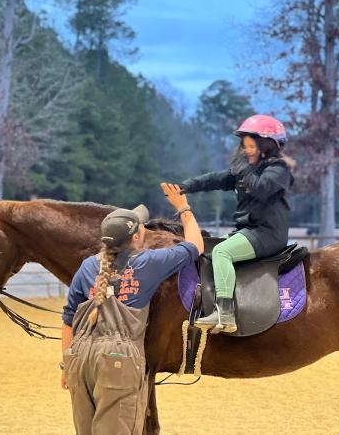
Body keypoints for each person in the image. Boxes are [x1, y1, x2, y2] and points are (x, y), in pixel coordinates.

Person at [60, 183, 204, 435]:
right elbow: (195, 246)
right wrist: (184, 208)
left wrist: (66, 366)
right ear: (136, 237)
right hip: (119, 360)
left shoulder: (86, 267)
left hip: (79, 358)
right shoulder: (148, 263)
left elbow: (69, 319)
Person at [179, 114, 294, 334]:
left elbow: (261, 189)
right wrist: (187, 186)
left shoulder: (279, 169)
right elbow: (217, 179)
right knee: (210, 250)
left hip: (267, 233)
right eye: (245, 146)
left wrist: (243, 169)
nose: (247, 150)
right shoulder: (246, 170)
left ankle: (225, 313)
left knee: (222, 252)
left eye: (252, 145)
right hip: (249, 231)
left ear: (267, 146)